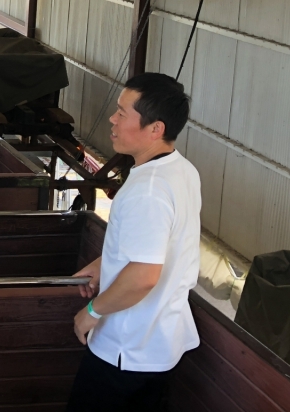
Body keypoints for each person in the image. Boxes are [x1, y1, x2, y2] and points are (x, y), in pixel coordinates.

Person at [67, 73, 200, 412]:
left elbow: (143, 276)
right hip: (159, 344)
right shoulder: (181, 170)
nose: (113, 119)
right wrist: (103, 265)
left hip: (125, 348)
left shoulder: (149, 189)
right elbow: (158, 247)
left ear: (155, 128)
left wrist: (92, 312)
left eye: (123, 113)